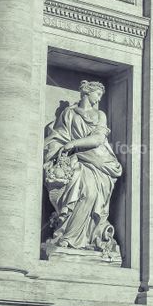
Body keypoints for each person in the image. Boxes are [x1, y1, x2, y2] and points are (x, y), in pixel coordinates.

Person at [43, 80, 122, 256]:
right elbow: (58, 135)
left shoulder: (100, 114)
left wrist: (73, 143)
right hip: (76, 159)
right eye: (97, 94)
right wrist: (58, 148)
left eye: (101, 95)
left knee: (92, 194)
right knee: (80, 191)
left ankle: (84, 237)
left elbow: (99, 139)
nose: (99, 98)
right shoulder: (68, 113)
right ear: (87, 93)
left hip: (99, 160)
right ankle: (68, 237)